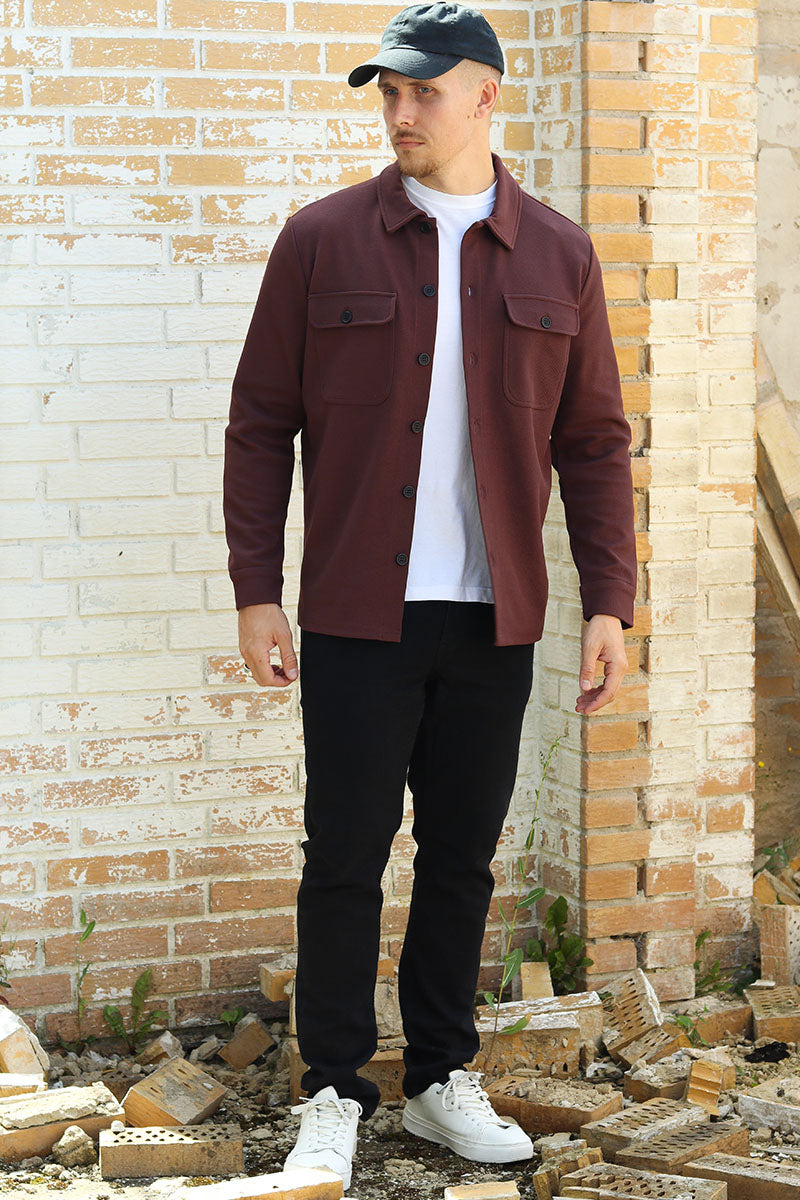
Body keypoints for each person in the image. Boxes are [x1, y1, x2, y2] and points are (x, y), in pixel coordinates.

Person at [223, 1, 637, 1190]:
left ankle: (440, 1078)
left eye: (422, 91)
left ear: (484, 97)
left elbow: (593, 443)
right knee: (344, 856)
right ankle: (332, 1090)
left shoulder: (557, 253)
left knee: (461, 859)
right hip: (357, 611)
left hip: (490, 616)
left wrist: (607, 600)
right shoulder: (321, 240)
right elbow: (259, 425)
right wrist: (257, 590)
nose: (400, 113)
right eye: (388, 93)